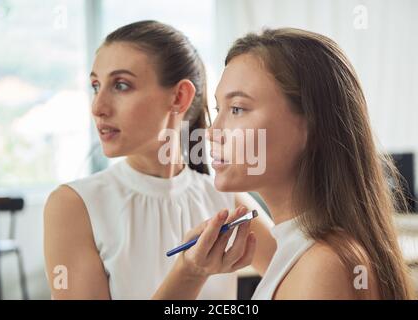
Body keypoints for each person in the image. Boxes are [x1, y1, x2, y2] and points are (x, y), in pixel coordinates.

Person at [43, 20, 275, 300]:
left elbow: (298, 274)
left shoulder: (226, 200)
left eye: (120, 85)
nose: (97, 107)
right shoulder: (72, 206)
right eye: (95, 86)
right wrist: (190, 273)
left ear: (179, 97)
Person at [202, 27, 415, 299]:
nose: (212, 132)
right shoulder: (306, 250)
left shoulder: (322, 267)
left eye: (237, 109)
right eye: (219, 110)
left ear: (311, 127)